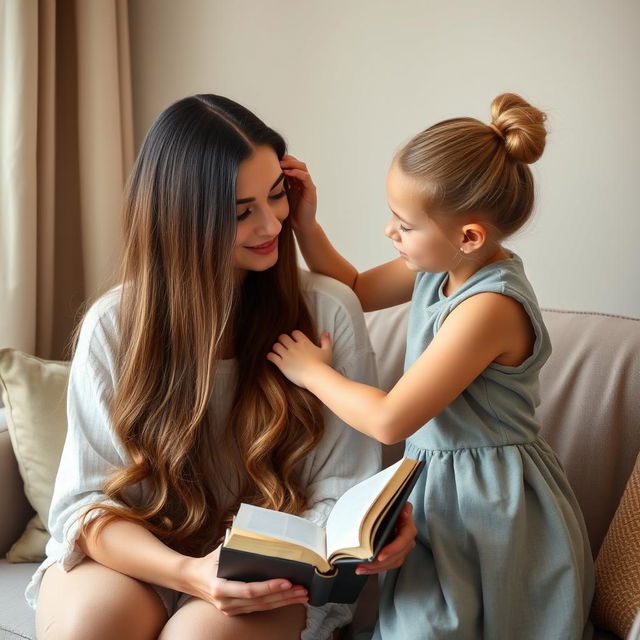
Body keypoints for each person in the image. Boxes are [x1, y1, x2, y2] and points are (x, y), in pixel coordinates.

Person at [27, 94, 417, 640]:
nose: (271, 224)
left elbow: (339, 486)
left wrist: (365, 530)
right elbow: (85, 506)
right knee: (93, 625)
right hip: (138, 558)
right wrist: (189, 572)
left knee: (200, 636)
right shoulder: (114, 325)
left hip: (269, 578)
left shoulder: (327, 311)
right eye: (241, 212)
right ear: (182, 219)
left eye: (277, 196)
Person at [269, 93, 595, 639]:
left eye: (404, 224)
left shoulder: (490, 306)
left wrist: (313, 373)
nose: (389, 233)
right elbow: (352, 287)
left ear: (468, 235)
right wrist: (305, 224)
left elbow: (392, 419)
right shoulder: (436, 267)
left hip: (492, 506)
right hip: (436, 490)